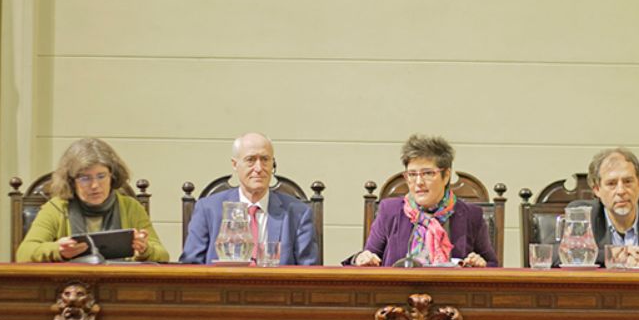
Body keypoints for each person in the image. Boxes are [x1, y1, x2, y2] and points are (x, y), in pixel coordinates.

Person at [347, 134, 497, 267]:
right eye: (412, 174)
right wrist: (361, 258)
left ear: (446, 176)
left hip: (452, 295)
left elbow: (492, 265)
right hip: (398, 295)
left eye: (427, 173)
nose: (418, 182)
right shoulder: (389, 211)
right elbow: (370, 258)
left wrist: (480, 264)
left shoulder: (471, 215)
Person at [15, 138, 169, 263]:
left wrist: (144, 249)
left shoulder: (130, 207)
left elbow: (163, 255)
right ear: (71, 181)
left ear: (112, 176)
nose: (95, 185)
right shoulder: (56, 208)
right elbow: (24, 253)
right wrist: (57, 250)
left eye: (101, 176)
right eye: (84, 178)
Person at [180, 132, 318, 265]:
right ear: (235, 165)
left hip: (276, 288)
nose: (258, 168)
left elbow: (309, 273)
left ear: (273, 164)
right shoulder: (208, 209)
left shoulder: (298, 213)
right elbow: (190, 266)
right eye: (250, 160)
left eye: (265, 159)